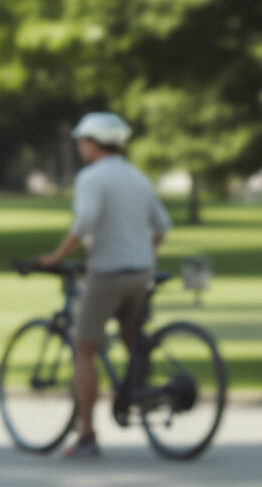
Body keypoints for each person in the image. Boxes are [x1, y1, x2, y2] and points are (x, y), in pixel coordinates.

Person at [37, 112, 172, 459]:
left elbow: (83, 222)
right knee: (133, 339)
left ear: (93, 142)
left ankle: (87, 435)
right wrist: (141, 251)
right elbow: (161, 226)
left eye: (82, 141)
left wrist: (55, 257)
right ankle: (142, 391)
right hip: (141, 271)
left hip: (108, 272)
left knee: (84, 349)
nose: (80, 147)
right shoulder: (138, 177)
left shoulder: (92, 178)